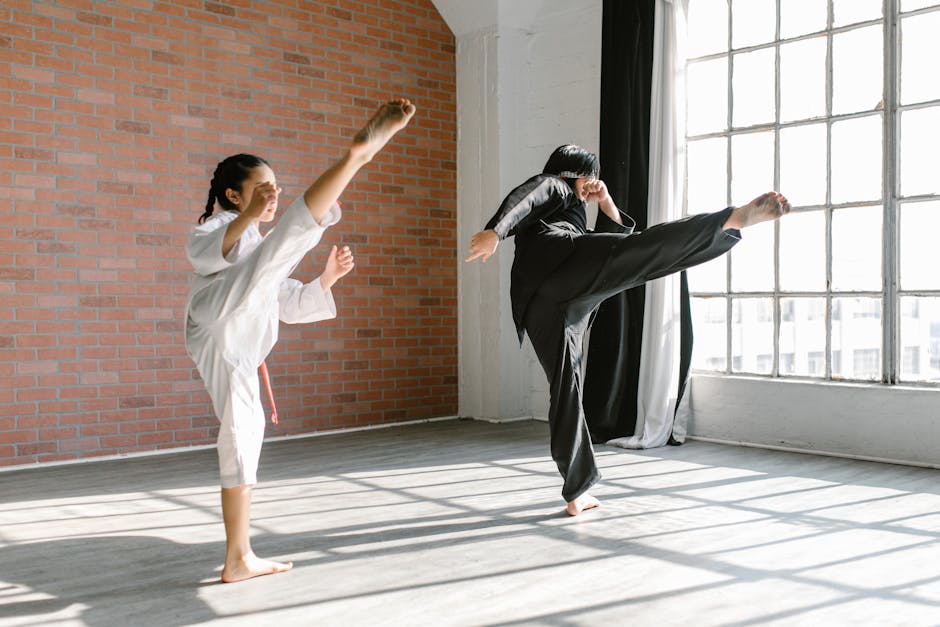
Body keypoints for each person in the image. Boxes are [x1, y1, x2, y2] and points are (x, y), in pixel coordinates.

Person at [465, 144, 789, 516]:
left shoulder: (571, 211)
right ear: (575, 174)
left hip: (548, 307)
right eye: (590, 177)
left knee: (566, 391)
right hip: (561, 273)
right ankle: (729, 220)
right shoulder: (555, 186)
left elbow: (606, 243)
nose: (592, 185)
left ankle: (577, 490)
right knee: (642, 252)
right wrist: (495, 230)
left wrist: (604, 201)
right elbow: (531, 194)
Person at [184, 99, 416, 582]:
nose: (271, 196)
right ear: (232, 195)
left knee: (246, 436)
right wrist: (248, 216)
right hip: (217, 321)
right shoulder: (219, 226)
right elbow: (205, 256)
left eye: (275, 189)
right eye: (261, 190)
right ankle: (356, 158)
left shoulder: (254, 249)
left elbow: (284, 301)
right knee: (285, 238)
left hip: (239, 340)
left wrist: (327, 280)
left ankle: (239, 556)